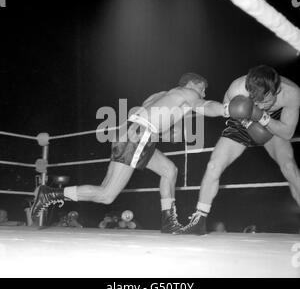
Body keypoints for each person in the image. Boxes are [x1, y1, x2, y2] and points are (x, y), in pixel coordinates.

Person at [31, 73, 225, 233]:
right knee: (107, 194)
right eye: (202, 88)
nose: (203, 92)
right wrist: (226, 109)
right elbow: (206, 107)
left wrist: (168, 133)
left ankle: (168, 221)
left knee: (169, 170)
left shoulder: (162, 96)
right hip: (137, 136)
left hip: (135, 134)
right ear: (192, 84)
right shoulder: (188, 93)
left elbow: (152, 120)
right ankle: (50, 194)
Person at [177, 65, 300, 235]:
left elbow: (287, 132)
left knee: (289, 167)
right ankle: (198, 221)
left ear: (276, 90)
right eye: (255, 100)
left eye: (265, 101)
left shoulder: (292, 93)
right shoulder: (237, 88)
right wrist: (248, 122)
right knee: (213, 165)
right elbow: (228, 108)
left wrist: (263, 117)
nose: (260, 105)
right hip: (243, 119)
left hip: (273, 123)